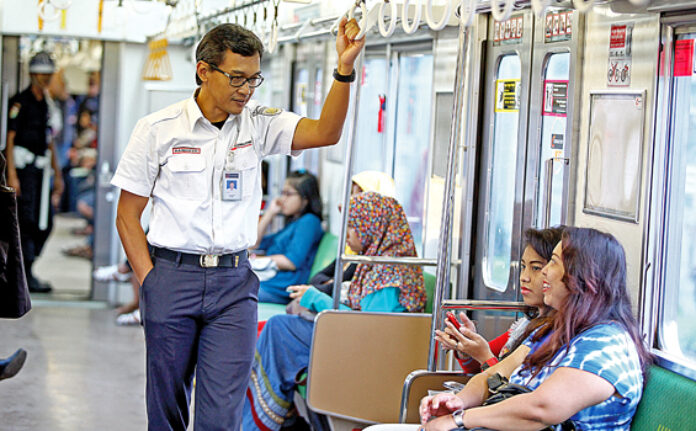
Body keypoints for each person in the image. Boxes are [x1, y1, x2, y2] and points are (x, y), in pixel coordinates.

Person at [112, 20, 365, 431]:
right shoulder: (158, 130)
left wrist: (344, 69)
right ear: (204, 71)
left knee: (222, 415)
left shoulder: (259, 124)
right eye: (236, 78)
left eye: (253, 79)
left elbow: (326, 132)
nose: (246, 90)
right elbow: (127, 215)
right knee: (167, 410)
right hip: (172, 277)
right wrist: (150, 281)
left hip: (233, 284)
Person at [418, 227, 652, 431]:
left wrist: (459, 419)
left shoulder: (607, 345)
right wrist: (458, 401)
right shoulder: (551, 331)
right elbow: (492, 376)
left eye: (553, 262)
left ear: (581, 276)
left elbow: (541, 409)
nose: (545, 272)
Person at [243, 191, 427, 431]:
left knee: (280, 330)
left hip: (367, 352)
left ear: (372, 228)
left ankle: (259, 420)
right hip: (353, 341)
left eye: (352, 226)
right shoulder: (376, 264)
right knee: (279, 328)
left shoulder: (389, 275)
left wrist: (317, 298)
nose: (347, 234)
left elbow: (366, 327)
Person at [436, 227, 564, 372]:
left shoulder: (554, 333)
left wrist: (484, 356)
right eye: (523, 267)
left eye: (536, 268)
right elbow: (475, 368)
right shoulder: (525, 324)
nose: (524, 277)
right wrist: (466, 346)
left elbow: (510, 383)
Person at [4, 52, 64, 293]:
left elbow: (50, 141)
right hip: (23, 170)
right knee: (26, 221)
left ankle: (28, 267)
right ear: (32, 74)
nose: (45, 78)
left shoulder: (47, 104)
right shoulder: (20, 102)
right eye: (41, 74)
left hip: (40, 171)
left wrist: (58, 175)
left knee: (44, 222)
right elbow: (9, 139)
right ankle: (24, 274)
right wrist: (11, 175)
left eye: (48, 74)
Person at [254, 170, 324, 304]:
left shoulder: (309, 221)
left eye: (288, 194)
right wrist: (269, 213)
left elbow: (291, 262)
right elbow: (254, 243)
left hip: (283, 286)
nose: (282, 199)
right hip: (272, 281)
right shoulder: (294, 223)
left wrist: (255, 262)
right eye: (282, 193)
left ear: (305, 199)